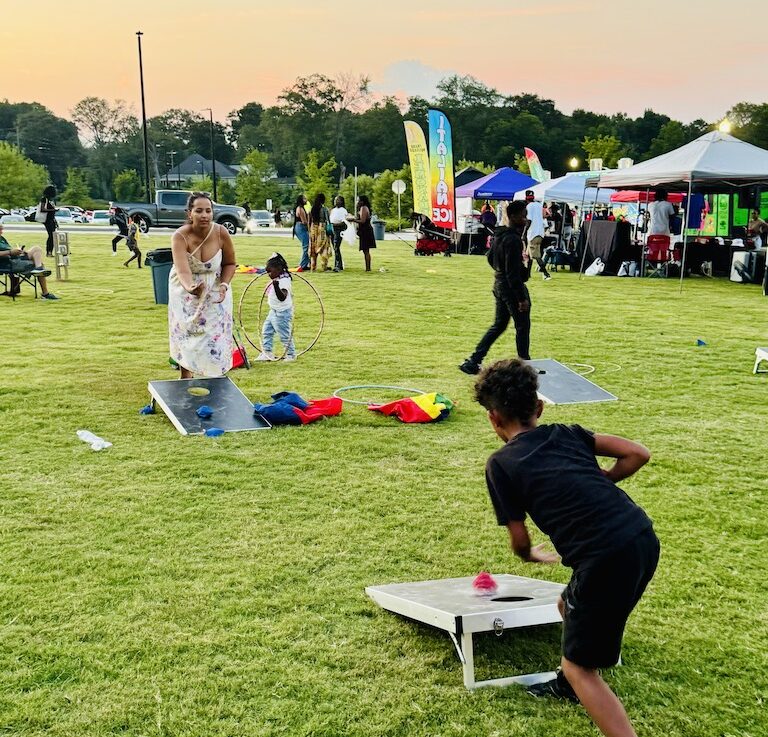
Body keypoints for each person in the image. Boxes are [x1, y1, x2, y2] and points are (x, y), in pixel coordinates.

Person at [474, 358, 659, 737]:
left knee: (582, 668)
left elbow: (520, 540)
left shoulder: (501, 464)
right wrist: (604, 478)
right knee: (566, 603)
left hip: (604, 557)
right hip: (641, 537)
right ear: (539, 407)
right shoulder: (566, 432)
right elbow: (638, 453)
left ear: (493, 418)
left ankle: (574, 678)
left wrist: (530, 556)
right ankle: (565, 685)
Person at [459, 200, 530, 375]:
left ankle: (474, 360)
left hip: (499, 284)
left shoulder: (499, 236)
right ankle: (524, 363)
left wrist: (500, 271)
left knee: (499, 325)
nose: (525, 219)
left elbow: (490, 257)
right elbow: (513, 273)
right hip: (510, 287)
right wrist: (521, 298)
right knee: (522, 326)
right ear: (513, 216)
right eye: (523, 216)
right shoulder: (512, 240)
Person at [168, 192, 235, 379]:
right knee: (187, 332)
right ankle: (185, 374)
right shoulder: (180, 236)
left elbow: (230, 263)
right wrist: (191, 287)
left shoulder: (221, 232)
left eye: (208, 210)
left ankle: (217, 376)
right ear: (190, 213)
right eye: (199, 211)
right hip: (185, 288)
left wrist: (223, 286)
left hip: (215, 287)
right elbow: (183, 270)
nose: (204, 215)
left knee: (215, 333)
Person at [0, 224, 59, 299]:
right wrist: (10, 252)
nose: (1, 231)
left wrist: (20, 251)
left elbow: (9, 250)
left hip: (15, 258)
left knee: (36, 249)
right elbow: (9, 252)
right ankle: (45, 292)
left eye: (1, 229)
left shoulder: (2, 239)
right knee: (39, 263)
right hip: (7, 263)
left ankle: (38, 269)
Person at [256, 252, 296, 361]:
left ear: (278, 269)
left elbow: (282, 297)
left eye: (270, 271)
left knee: (284, 334)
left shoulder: (284, 281)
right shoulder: (277, 279)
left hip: (282, 313)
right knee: (266, 331)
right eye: (267, 271)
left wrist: (276, 286)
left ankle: (291, 354)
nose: (268, 274)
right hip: (273, 311)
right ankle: (267, 352)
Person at [524, 190, 551, 281]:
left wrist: (524, 232)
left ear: (526, 198)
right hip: (540, 232)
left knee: (536, 255)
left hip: (533, 233)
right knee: (528, 255)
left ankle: (546, 273)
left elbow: (529, 220)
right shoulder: (539, 205)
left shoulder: (529, 206)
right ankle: (527, 274)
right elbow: (544, 216)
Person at [350, 195, 375, 271]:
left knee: (366, 250)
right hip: (364, 231)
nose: (357, 202)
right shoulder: (362, 208)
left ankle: (368, 268)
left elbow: (363, 221)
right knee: (365, 250)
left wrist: (353, 220)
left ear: (362, 201)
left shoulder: (363, 208)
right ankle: (368, 267)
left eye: (358, 200)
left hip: (366, 231)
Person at [308, 193, 332, 272]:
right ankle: (324, 267)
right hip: (322, 229)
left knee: (313, 249)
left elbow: (309, 220)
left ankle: (313, 267)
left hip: (313, 229)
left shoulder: (312, 208)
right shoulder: (324, 209)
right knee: (324, 248)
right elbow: (328, 220)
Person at [329, 195, 349, 271]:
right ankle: (338, 264)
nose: (336, 201)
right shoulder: (333, 210)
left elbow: (344, 222)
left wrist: (334, 224)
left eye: (338, 200)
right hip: (332, 229)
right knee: (335, 247)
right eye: (335, 200)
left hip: (338, 230)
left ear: (341, 202)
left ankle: (338, 265)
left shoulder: (343, 210)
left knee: (336, 246)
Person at [292, 195, 310, 271]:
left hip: (299, 227)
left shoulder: (300, 208)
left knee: (307, 246)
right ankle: (302, 265)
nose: (306, 200)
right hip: (301, 227)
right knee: (306, 246)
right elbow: (304, 221)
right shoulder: (300, 209)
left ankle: (305, 264)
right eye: (304, 199)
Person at [40, 185, 58, 257]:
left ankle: (50, 251)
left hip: (51, 219)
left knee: (53, 236)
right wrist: (53, 210)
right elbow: (42, 209)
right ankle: (48, 252)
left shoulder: (51, 200)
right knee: (51, 236)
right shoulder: (44, 199)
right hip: (47, 220)